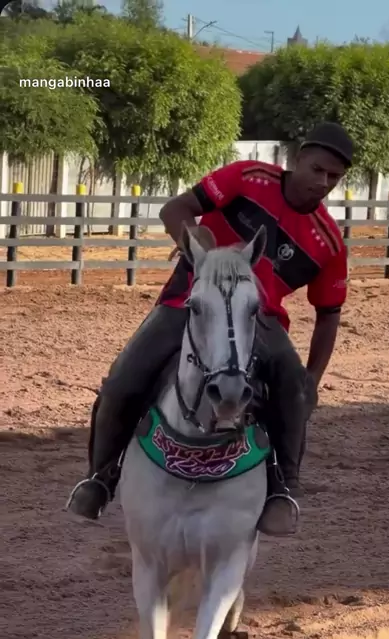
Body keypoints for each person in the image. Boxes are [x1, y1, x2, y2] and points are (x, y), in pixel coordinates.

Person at [67, 121, 353, 535]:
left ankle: (283, 489)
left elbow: (329, 314)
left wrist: (312, 377)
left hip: (260, 318)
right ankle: (100, 478)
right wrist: (193, 238)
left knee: (293, 391)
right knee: (121, 382)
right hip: (188, 301)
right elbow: (175, 209)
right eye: (317, 169)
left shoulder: (329, 242)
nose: (323, 182)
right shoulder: (247, 177)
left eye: (334, 177)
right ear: (297, 160)